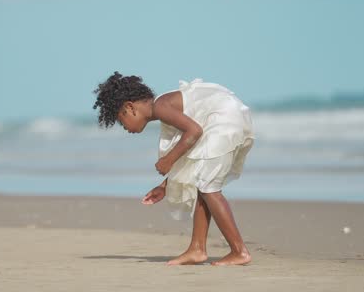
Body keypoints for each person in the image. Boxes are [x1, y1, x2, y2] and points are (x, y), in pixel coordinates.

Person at [92, 72, 255, 266]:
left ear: (130, 107)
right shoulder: (166, 108)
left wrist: (168, 159)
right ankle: (197, 249)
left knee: (209, 187)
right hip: (229, 117)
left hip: (225, 120)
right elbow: (190, 153)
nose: (124, 127)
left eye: (121, 119)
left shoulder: (161, 107)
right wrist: (164, 185)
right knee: (202, 183)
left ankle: (239, 251)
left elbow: (195, 131)